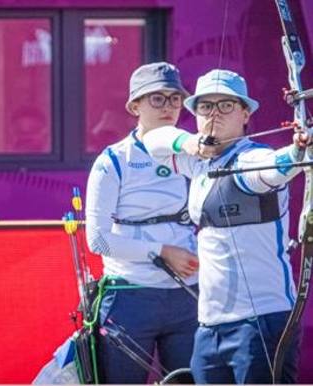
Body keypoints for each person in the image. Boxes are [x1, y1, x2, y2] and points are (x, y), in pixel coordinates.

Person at [143, 69, 306, 383]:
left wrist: (299, 149)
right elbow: (152, 140)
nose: (214, 114)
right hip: (210, 327)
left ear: (245, 113)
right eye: (206, 107)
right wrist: (189, 143)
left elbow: (277, 168)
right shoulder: (197, 163)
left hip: (261, 323)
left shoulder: (252, 159)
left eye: (226, 106)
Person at [84, 62, 199, 384]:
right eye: (157, 99)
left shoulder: (193, 152)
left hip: (187, 294)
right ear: (135, 106)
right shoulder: (113, 161)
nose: (168, 107)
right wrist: (161, 251)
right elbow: (98, 240)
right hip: (129, 297)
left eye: (174, 99)